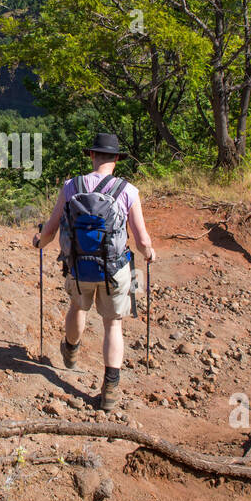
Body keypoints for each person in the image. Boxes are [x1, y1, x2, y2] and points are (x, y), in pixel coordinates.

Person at [35, 133, 155, 412]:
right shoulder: (128, 191)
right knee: (113, 324)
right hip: (114, 269)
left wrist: (38, 242)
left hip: (78, 265)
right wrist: (149, 254)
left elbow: (50, 230)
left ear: (92, 156)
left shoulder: (71, 187)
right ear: (115, 159)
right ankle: (110, 389)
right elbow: (141, 240)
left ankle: (71, 349)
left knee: (78, 306)